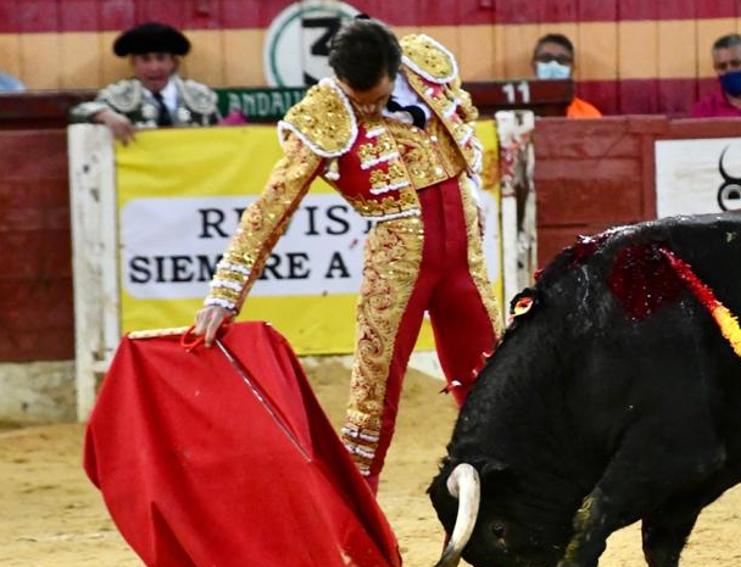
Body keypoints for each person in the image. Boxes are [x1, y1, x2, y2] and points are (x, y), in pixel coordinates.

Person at [191, 18, 501, 492]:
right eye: (361, 101)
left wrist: (475, 195)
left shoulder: (426, 64)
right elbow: (272, 206)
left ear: (397, 67)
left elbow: (465, 141)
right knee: (371, 407)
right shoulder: (324, 112)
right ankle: (358, 535)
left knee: (495, 389)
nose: (371, 108)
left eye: (377, 96)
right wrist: (225, 294)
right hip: (398, 269)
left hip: (466, 262)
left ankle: (515, 516)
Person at [69, 22, 219, 144]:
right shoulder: (118, 95)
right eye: (145, 59)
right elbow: (77, 113)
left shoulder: (199, 95)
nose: (154, 67)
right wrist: (103, 114)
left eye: (161, 58)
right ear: (133, 63)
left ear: (174, 62)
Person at [531, 33, 602, 118]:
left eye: (562, 60)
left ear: (572, 68)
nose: (553, 65)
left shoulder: (589, 114)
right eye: (546, 58)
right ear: (534, 65)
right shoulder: (518, 114)